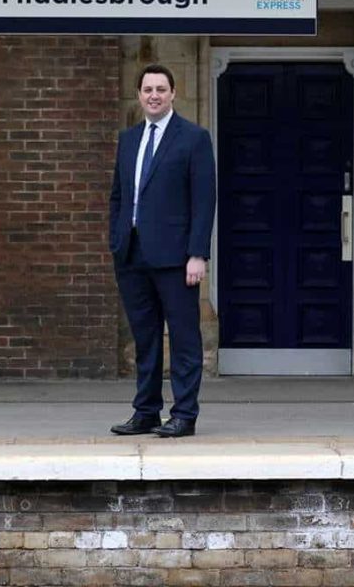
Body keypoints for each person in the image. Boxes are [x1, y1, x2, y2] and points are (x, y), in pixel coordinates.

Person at [109, 64, 216, 438]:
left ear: (173, 94)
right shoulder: (129, 139)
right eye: (147, 89)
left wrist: (197, 254)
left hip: (176, 258)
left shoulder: (193, 138)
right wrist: (116, 240)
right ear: (138, 95)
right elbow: (119, 197)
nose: (153, 95)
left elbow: (204, 201)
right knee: (146, 339)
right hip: (132, 255)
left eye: (161, 89)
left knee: (184, 338)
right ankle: (146, 412)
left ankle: (184, 414)